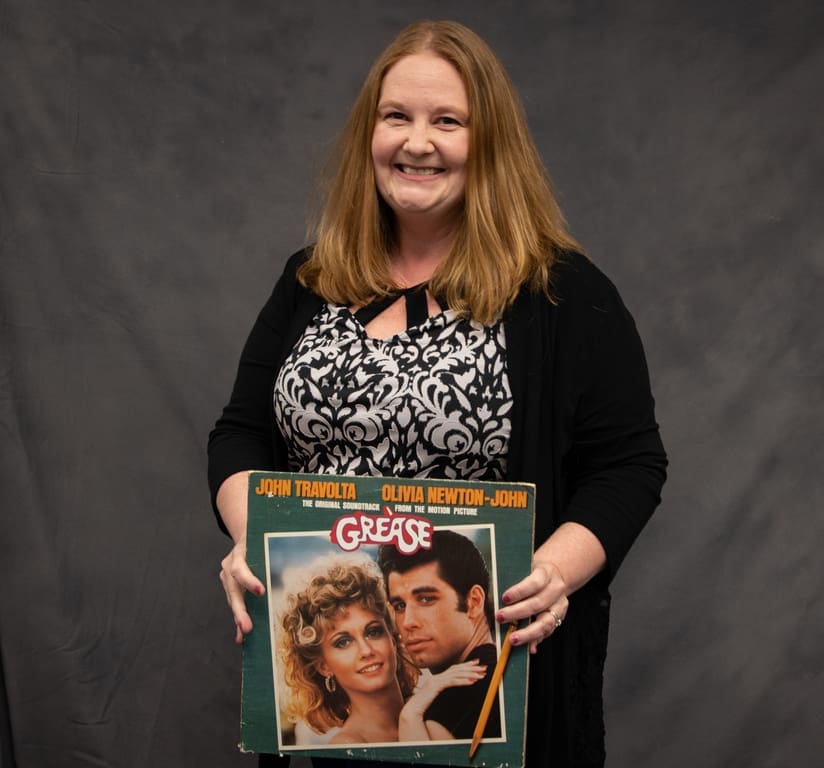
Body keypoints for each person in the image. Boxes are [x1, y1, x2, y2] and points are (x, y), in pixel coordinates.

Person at [208, 19, 667, 768]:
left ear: (487, 144)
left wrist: (555, 572)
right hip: (336, 713)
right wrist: (249, 538)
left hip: (491, 694)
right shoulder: (310, 280)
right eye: (398, 117)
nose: (417, 142)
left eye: (447, 121)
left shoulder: (560, 293)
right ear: (370, 134)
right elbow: (239, 434)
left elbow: (630, 465)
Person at [277, 556, 487, 745]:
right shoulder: (349, 745)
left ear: (393, 636)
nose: (366, 650)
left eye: (373, 632)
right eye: (343, 642)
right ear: (323, 666)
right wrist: (409, 717)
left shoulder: (441, 709)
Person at [377, 530, 501, 740]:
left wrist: (409, 717)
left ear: (474, 602)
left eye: (426, 599)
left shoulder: (448, 707)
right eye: (399, 605)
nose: (407, 623)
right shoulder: (501, 670)